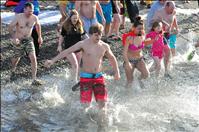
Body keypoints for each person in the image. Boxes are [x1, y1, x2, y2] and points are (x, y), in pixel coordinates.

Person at [44, 24, 120, 130]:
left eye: (100, 35)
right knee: (85, 106)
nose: (98, 37)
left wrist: (117, 71)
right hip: (86, 78)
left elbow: (112, 58)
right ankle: (83, 126)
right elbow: (67, 51)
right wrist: (52, 60)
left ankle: (102, 127)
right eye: (95, 35)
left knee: (103, 106)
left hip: (98, 77)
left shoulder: (104, 46)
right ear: (90, 34)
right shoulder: (83, 44)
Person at [8, 2, 43, 85]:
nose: (30, 13)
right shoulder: (18, 17)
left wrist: (39, 36)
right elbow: (10, 27)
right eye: (28, 11)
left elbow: (38, 26)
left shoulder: (34, 17)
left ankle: (34, 79)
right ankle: (12, 70)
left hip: (28, 40)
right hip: (18, 40)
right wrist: (14, 37)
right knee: (16, 58)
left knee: (33, 58)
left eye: (31, 11)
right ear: (24, 9)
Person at [57, 9, 88, 82]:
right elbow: (61, 36)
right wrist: (59, 45)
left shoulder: (80, 25)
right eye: (74, 18)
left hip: (78, 50)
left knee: (77, 65)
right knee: (75, 65)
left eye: (76, 18)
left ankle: (72, 77)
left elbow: (85, 36)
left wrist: (91, 41)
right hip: (69, 49)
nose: (75, 19)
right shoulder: (66, 26)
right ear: (70, 18)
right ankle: (75, 81)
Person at [151, 1, 178, 78]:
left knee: (164, 54)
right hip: (159, 35)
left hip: (167, 34)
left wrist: (176, 28)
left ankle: (159, 70)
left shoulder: (173, 11)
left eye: (174, 8)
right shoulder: (159, 12)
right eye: (171, 8)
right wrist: (162, 24)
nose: (173, 10)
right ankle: (164, 72)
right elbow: (153, 23)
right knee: (167, 51)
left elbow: (173, 19)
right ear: (166, 6)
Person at [122, 16, 150, 88]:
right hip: (130, 61)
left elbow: (144, 43)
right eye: (139, 29)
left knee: (146, 75)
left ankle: (139, 79)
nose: (141, 30)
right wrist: (127, 63)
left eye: (142, 28)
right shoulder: (129, 38)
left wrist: (153, 40)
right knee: (130, 81)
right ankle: (126, 96)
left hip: (139, 60)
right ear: (133, 28)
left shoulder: (143, 35)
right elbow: (124, 52)